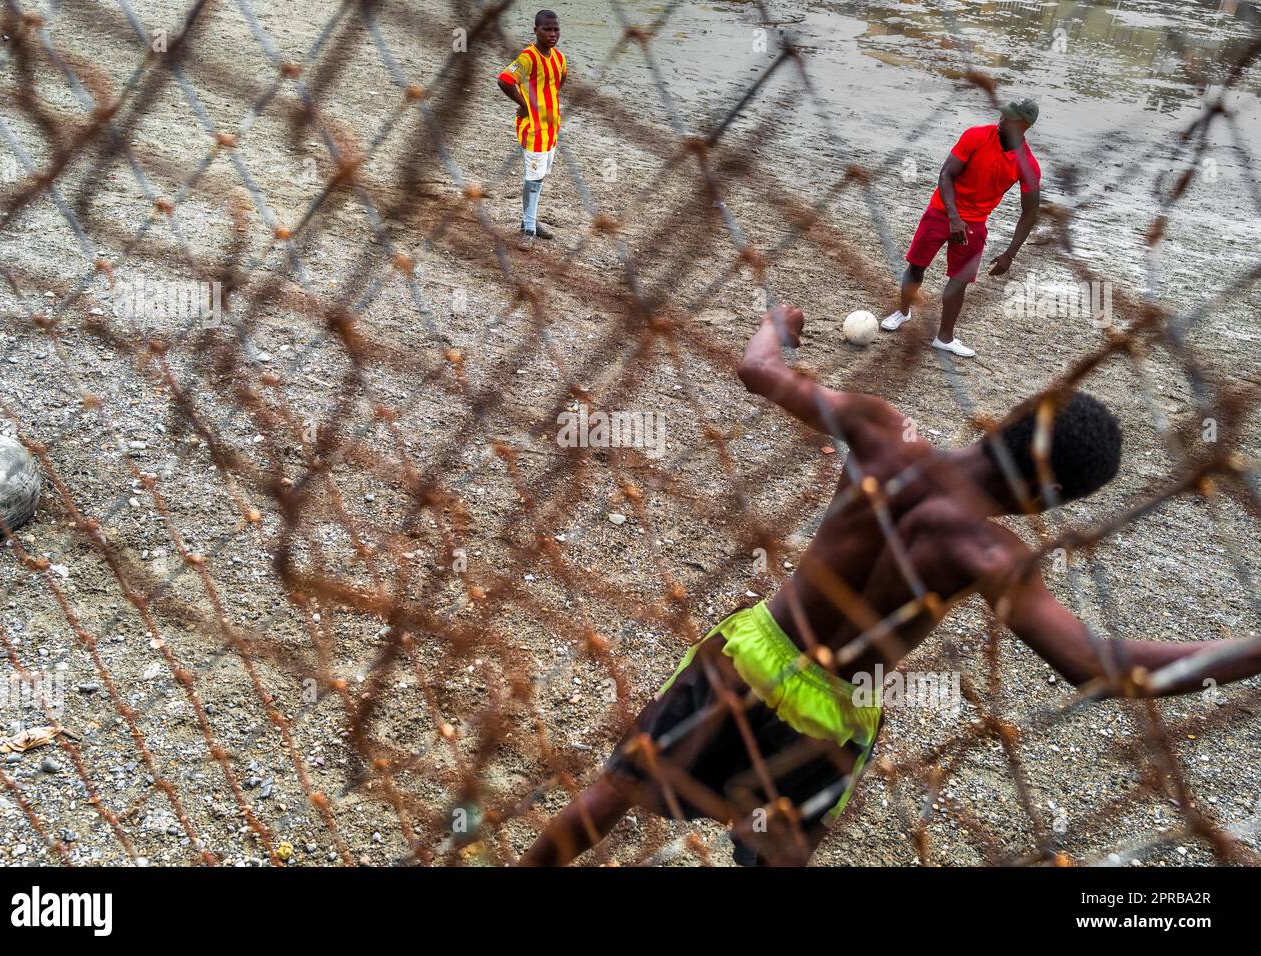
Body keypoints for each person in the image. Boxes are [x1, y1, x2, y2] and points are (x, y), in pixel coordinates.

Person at [518, 304, 1261, 866]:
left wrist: (780, 322)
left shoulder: (882, 431)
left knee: (615, 792)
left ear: (1009, 420)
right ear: (1050, 500)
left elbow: (759, 369)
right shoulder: (989, 553)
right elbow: (1098, 666)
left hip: (748, 655)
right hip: (831, 714)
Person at [882, 99, 1043, 358]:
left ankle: (944, 338)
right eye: (1003, 115)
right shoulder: (976, 135)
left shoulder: (1028, 164)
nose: (1001, 120)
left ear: (1024, 125)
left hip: (975, 224)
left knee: (959, 282)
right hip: (940, 211)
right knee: (916, 266)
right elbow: (946, 174)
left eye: (1010, 118)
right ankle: (902, 311)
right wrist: (954, 216)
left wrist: (1010, 254)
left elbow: (1030, 212)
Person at [496, 10, 568, 250]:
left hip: (552, 127)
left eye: (555, 29)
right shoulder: (528, 58)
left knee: (541, 175)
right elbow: (505, 80)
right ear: (535, 30)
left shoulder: (559, 58)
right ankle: (528, 227)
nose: (552, 34)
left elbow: (560, 81)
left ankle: (531, 220)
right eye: (547, 29)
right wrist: (524, 104)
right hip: (534, 129)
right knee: (533, 176)